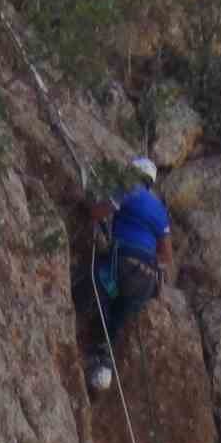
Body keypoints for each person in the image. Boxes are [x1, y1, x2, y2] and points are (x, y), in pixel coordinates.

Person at [85, 156, 172, 390]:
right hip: (146, 278)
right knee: (119, 315)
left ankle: (91, 340)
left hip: (123, 260)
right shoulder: (160, 210)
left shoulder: (128, 189)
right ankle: (104, 360)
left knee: (96, 283)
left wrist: (89, 207)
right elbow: (166, 255)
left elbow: (99, 212)